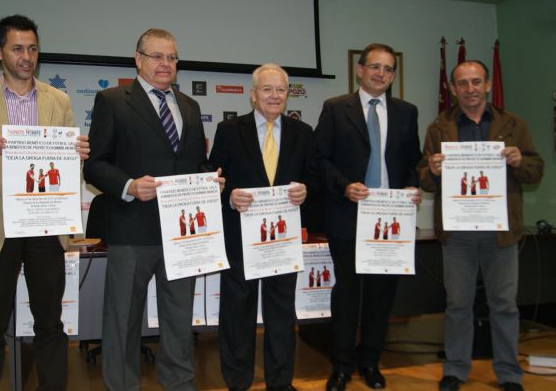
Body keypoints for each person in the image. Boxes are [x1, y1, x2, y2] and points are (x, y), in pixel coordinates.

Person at [0, 14, 89, 391]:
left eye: (32, 48)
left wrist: (76, 153)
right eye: (17, 48)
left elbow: (64, 162)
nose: (26, 56)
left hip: (44, 226)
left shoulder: (58, 101)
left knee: (50, 325)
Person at [83, 28, 222, 391]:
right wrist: (129, 186)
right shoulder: (113, 100)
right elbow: (95, 164)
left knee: (178, 321)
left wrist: (211, 181)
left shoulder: (189, 106)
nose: (165, 64)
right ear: (139, 59)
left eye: (172, 57)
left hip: (183, 234)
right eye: (157, 56)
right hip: (132, 231)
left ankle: (179, 384)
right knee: (123, 321)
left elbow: (196, 164)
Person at [418, 60, 543, 391]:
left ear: (487, 85)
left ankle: (509, 374)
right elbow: (424, 180)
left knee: (504, 305)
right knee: (457, 304)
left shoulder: (514, 125)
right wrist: (431, 169)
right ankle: (456, 370)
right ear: (454, 89)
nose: (470, 89)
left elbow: (536, 171)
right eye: (462, 83)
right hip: (457, 233)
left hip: (500, 232)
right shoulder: (438, 127)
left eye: (476, 82)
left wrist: (520, 161)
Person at [314, 43, 422, 390]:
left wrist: (411, 186)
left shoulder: (407, 111)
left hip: (390, 220)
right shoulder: (334, 108)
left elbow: (412, 162)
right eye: (374, 66)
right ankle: (342, 365)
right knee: (347, 294)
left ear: (393, 75)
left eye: (388, 69)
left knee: (381, 295)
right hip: (348, 215)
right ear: (360, 70)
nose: (381, 73)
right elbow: (320, 160)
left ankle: (371, 362)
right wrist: (344, 187)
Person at [209, 63, 314, 391]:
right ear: (253, 95)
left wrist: (306, 189)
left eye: (280, 90)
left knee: (281, 314)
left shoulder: (303, 132)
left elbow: (315, 177)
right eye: (267, 89)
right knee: (237, 314)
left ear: (287, 95)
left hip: (282, 239)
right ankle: (238, 382)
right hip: (240, 239)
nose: (274, 95)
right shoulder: (229, 130)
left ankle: (280, 382)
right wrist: (228, 195)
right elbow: (213, 178)